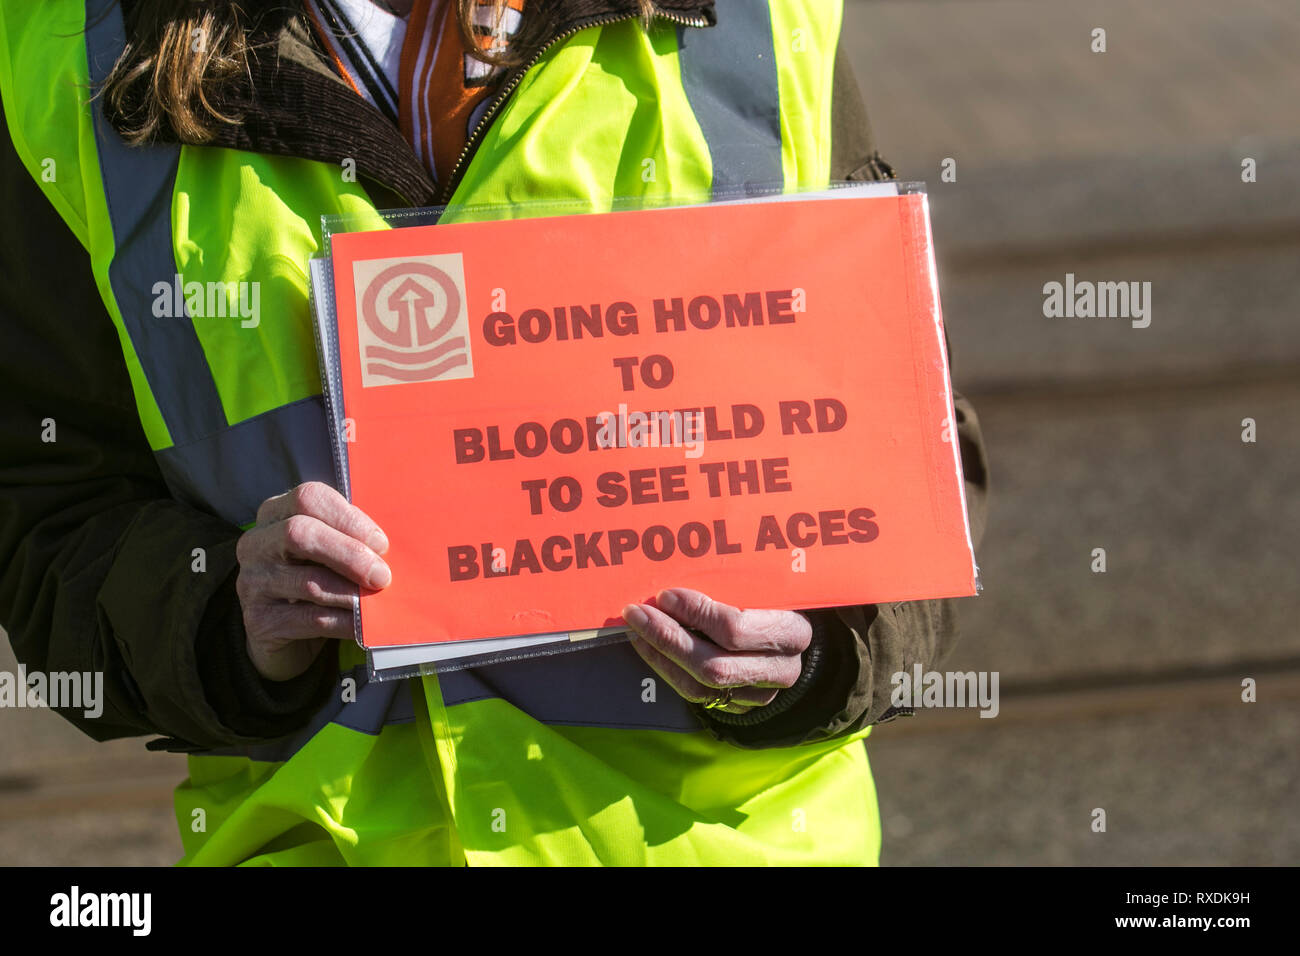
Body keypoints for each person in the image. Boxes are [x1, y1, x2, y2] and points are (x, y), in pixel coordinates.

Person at [0, 0, 989, 865]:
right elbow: (48, 514)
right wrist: (221, 613)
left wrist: (815, 651)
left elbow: (914, 456)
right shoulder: (70, 46)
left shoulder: (757, 13)